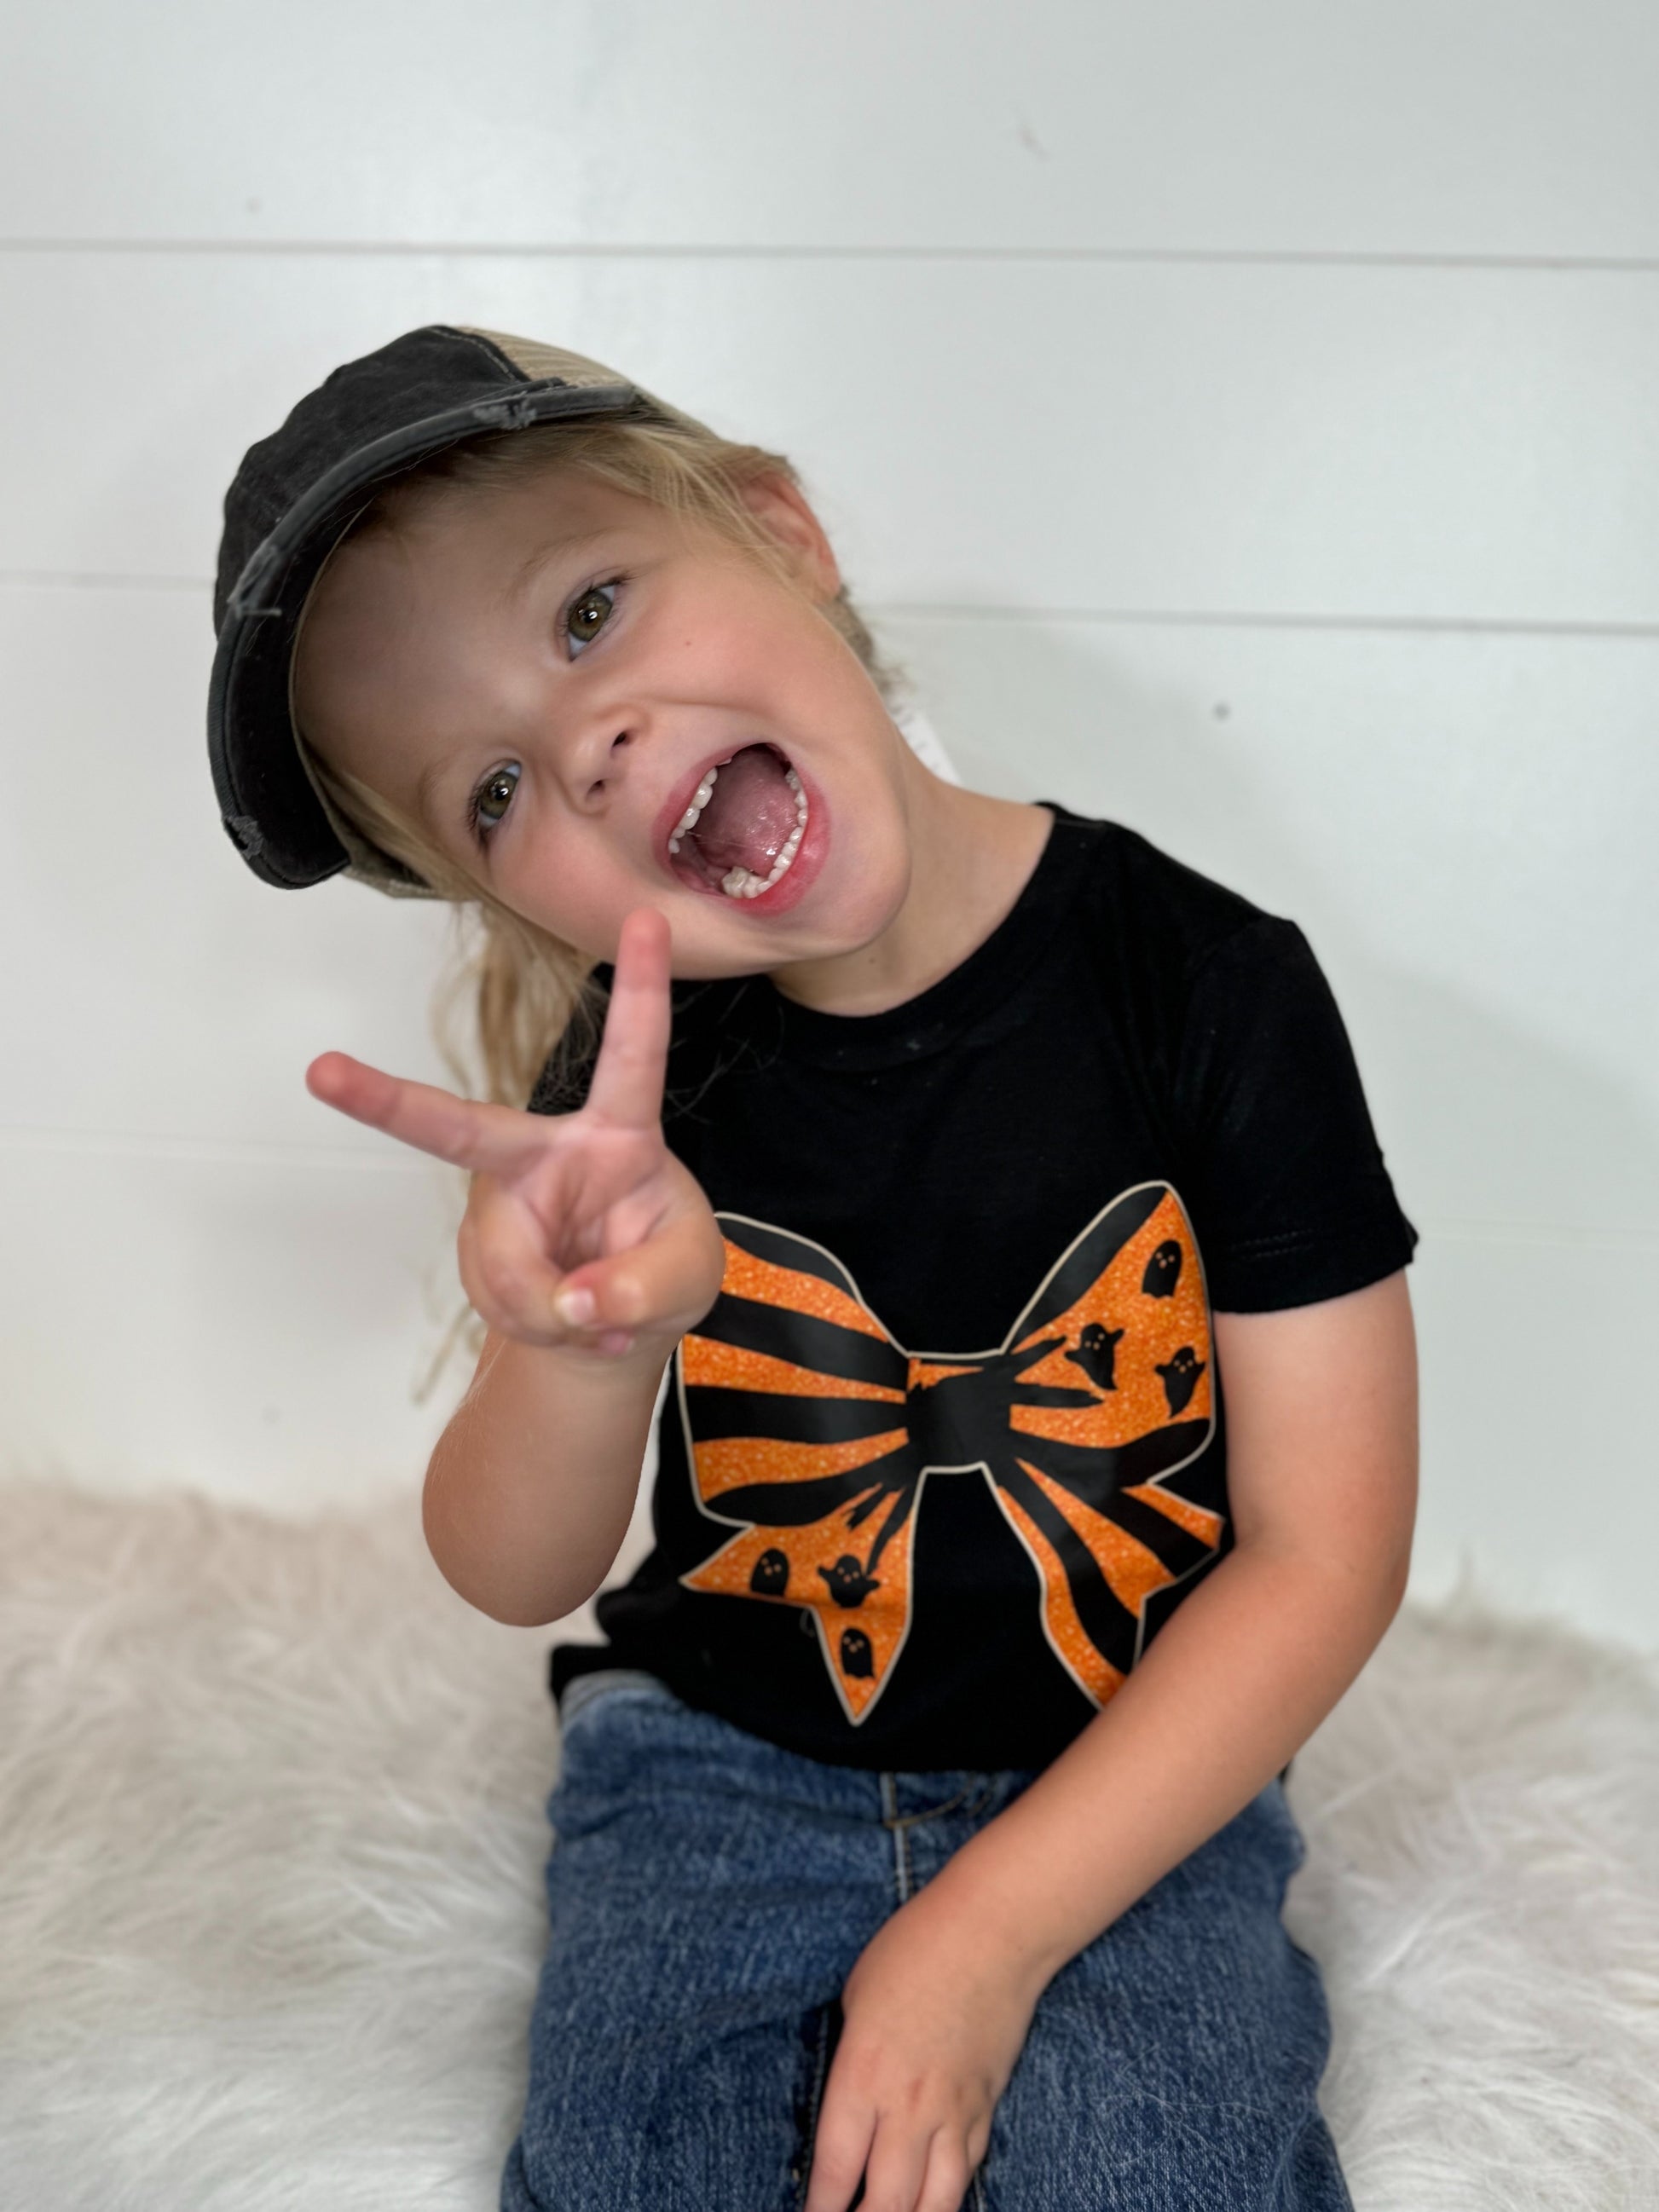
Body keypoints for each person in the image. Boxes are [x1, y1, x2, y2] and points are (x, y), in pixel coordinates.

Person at [208, 324, 1419, 2212]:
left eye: (589, 609)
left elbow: (1322, 1553)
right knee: (634, 2171)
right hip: (725, 1761)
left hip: (1128, 1752)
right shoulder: (628, 1099)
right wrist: (579, 1348)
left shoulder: (1205, 986)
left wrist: (984, 1938)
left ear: (781, 530)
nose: (580, 748)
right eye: (493, 792)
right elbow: (511, 1566)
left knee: (1155, 2172)